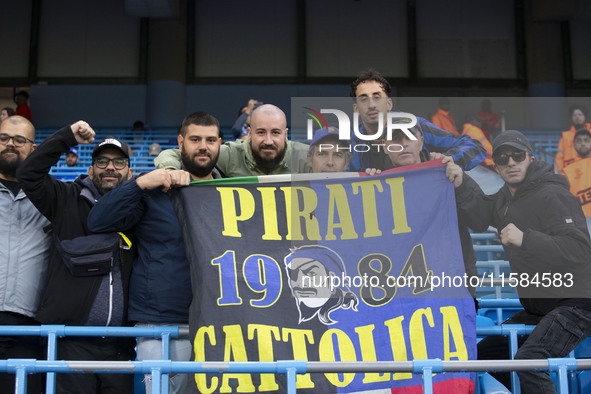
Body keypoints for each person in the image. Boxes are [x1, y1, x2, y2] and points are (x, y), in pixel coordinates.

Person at [88, 112, 224, 394]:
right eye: (195, 139)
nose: (203, 146)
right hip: (160, 321)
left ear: (220, 143)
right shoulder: (151, 190)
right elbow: (97, 221)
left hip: (218, 321)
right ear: (180, 142)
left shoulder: (232, 192)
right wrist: (138, 184)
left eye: (210, 140)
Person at [454, 130, 591, 393]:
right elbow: (481, 214)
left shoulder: (554, 195)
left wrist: (525, 239)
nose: (511, 163)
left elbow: (579, 250)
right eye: (503, 158)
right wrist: (461, 182)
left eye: (517, 155)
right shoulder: (506, 199)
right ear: (495, 164)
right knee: (480, 358)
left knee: (529, 361)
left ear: (530, 157)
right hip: (541, 309)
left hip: (578, 303)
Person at [17, 125, 136, 394]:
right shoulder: (65, 198)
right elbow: (28, 174)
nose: (110, 168)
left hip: (120, 346)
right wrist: (66, 138)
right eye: (102, 161)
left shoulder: (139, 208)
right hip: (68, 340)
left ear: (130, 172)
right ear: (90, 168)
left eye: (119, 162)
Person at [348, 69, 486, 171]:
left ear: (389, 104)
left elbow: (476, 146)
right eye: (364, 99)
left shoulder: (416, 127)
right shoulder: (348, 143)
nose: (372, 105)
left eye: (377, 97)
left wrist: (451, 159)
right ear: (356, 108)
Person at [0, 115, 50, 394]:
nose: (10, 144)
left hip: (28, 325)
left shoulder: (50, 197)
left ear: (33, 149)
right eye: (4, 138)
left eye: (20, 140)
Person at [155, 104, 310, 176]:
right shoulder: (231, 155)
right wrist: (170, 171)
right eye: (261, 132)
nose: (268, 141)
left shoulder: (305, 156)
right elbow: (174, 154)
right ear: (249, 134)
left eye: (275, 133)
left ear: (285, 134)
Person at [284, 245, 359, 325]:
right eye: (292, 274)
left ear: (333, 279)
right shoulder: (289, 313)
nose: (299, 283)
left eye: (311, 273)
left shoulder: (346, 316)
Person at [562, 128, 591, 218]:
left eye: (586, 140)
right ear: (573, 145)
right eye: (579, 141)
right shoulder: (566, 171)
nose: (583, 143)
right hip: (582, 221)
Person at [555, 105, 591, 171]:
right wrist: (561, 172)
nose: (577, 116)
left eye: (580, 114)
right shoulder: (565, 135)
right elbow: (559, 156)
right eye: (574, 115)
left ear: (585, 116)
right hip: (570, 170)